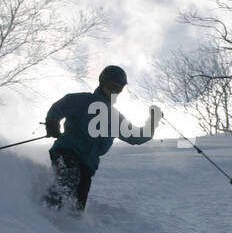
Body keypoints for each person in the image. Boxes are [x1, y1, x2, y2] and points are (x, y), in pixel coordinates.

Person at [42, 65, 163, 212]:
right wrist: (53, 122)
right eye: (111, 86)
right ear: (102, 83)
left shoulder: (115, 117)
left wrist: (153, 121)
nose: (114, 91)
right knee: (68, 180)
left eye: (118, 89)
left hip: (88, 163)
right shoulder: (84, 100)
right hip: (68, 150)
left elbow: (136, 137)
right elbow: (60, 107)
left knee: (78, 202)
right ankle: (45, 213)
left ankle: (69, 226)